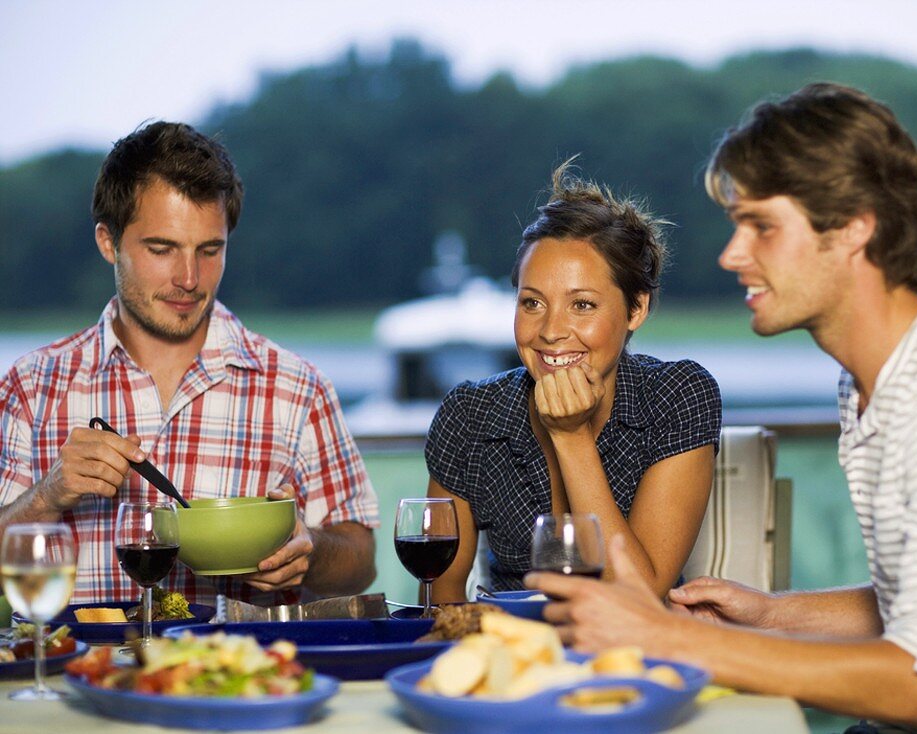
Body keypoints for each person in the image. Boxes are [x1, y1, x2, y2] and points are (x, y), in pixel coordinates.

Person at [528, 83, 917, 731]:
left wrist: (670, 638)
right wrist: (772, 613)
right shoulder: (880, 382)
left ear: (855, 227)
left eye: (762, 228)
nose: (731, 255)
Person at [0, 122, 379, 607]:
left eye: (210, 250)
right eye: (162, 249)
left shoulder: (296, 387)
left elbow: (361, 561)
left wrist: (311, 551)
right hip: (80, 676)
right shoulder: (32, 386)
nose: (189, 278)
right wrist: (48, 495)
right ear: (108, 242)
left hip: (232, 675)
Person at [425, 162, 722, 601]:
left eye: (581, 305)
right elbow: (438, 598)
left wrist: (571, 437)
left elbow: (640, 596)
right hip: (511, 652)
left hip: (633, 658)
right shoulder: (471, 414)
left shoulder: (678, 395)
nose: (550, 330)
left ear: (636, 309)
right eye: (532, 303)